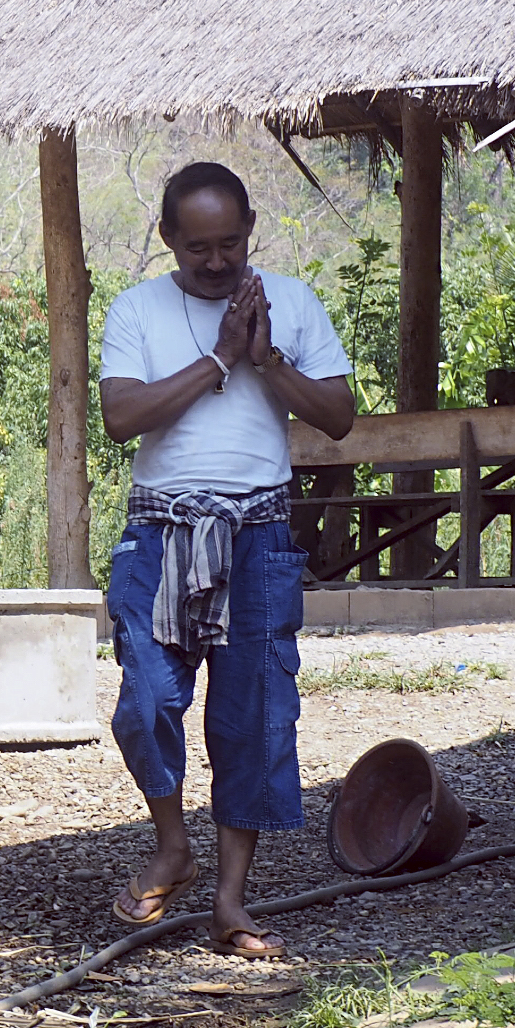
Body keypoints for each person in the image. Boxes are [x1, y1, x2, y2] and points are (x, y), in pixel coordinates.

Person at [97, 161, 355, 959]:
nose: (216, 262)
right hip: (162, 531)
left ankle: (231, 902)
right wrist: (215, 360)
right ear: (168, 239)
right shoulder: (136, 308)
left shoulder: (294, 302)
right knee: (144, 701)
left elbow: (341, 417)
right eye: (197, 247)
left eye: (231, 244)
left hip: (260, 534)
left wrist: (266, 360)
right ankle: (173, 845)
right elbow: (119, 416)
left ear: (251, 230)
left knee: (255, 718)